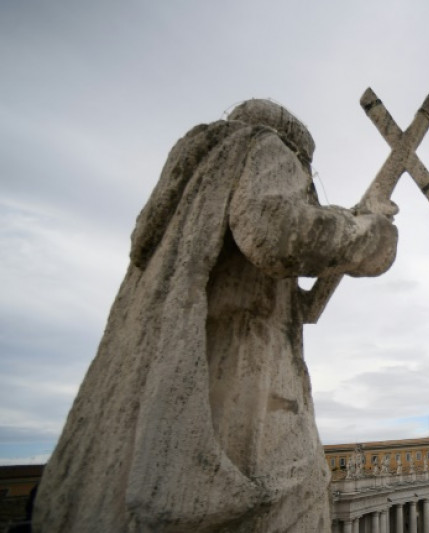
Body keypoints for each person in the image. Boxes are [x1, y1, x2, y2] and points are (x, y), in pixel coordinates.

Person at [34, 99, 398, 532]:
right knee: (296, 496)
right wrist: (370, 231)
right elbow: (277, 233)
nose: (305, 185)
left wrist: (351, 225)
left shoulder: (192, 198)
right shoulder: (263, 146)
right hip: (243, 392)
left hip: (187, 378)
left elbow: (300, 310)